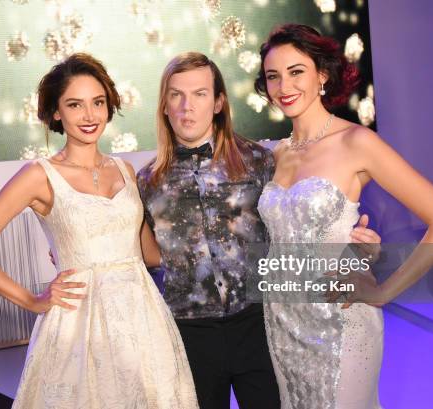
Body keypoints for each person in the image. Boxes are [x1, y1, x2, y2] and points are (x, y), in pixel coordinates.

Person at [135, 52, 382, 409]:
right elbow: (148, 252)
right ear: (164, 104)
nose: (187, 106)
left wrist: (355, 249)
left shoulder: (260, 161)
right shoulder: (148, 180)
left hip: (260, 324)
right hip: (190, 333)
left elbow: (299, 229)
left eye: (200, 94)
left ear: (218, 101)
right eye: (176, 94)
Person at [0, 53, 198, 409]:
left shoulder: (125, 170)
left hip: (143, 321)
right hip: (79, 327)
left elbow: (147, 254)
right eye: (75, 104)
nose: (90, 115)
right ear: (56, 113)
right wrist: (31, 301)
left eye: (98, 102)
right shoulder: (39, 175)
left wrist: (201, 235)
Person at [254, 24, 433, 409]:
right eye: (273, 76)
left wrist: (384, 292)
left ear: (322, 74)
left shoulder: (356, 143)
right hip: (283, 322)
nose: (284, 85)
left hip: (342, 319)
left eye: (296, 71)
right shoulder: (274, 154)